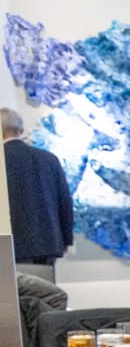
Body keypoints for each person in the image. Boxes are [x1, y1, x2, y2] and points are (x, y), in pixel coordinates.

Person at [2, 107, 72, 268]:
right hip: (48, 243)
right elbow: (64, 202)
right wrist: (66, 239)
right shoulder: (49, 159)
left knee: (14, 292)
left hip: (11, 246)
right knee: (45, 292)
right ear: (20, 130)